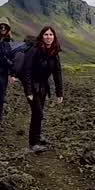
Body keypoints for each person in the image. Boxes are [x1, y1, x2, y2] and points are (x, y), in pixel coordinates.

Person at [22, 25, 63, 153]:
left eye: (51, 35)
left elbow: (57, 73)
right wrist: (28, 91)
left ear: (54, 37)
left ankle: (37, 136)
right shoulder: (35, 50)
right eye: (46, 34)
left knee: (38, 114)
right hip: (32, 85)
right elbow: (26, 70)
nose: (48, 37)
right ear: (42, 36)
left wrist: (59, 92)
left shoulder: (54, 52)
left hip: (43, 87)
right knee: (38, 113)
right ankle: (33, 143)